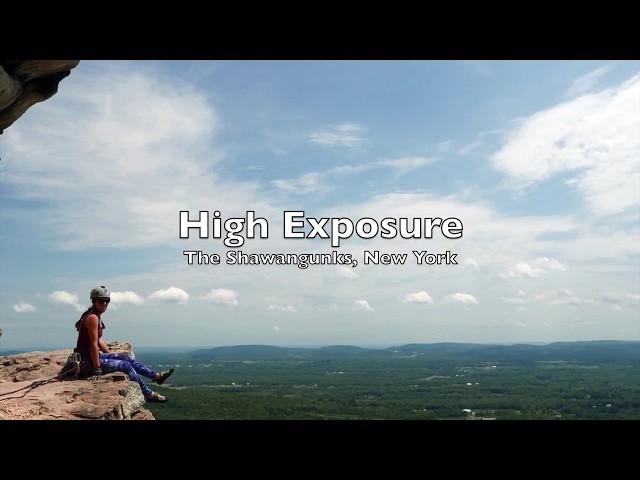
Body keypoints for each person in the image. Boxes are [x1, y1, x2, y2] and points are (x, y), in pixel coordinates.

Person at [74, 285, 174, 403]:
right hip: (88, 362)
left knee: (125, 357)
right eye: (102, 301)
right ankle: (149, 394)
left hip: (90, 357)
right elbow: (93, 345)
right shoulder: (92, 318)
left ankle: (156, 377)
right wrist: (97, 368)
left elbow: (99, 340)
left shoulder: (94, 316)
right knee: (126, 365)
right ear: (94, 301)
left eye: (107, 301)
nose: (105, 304)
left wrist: (111, 356)